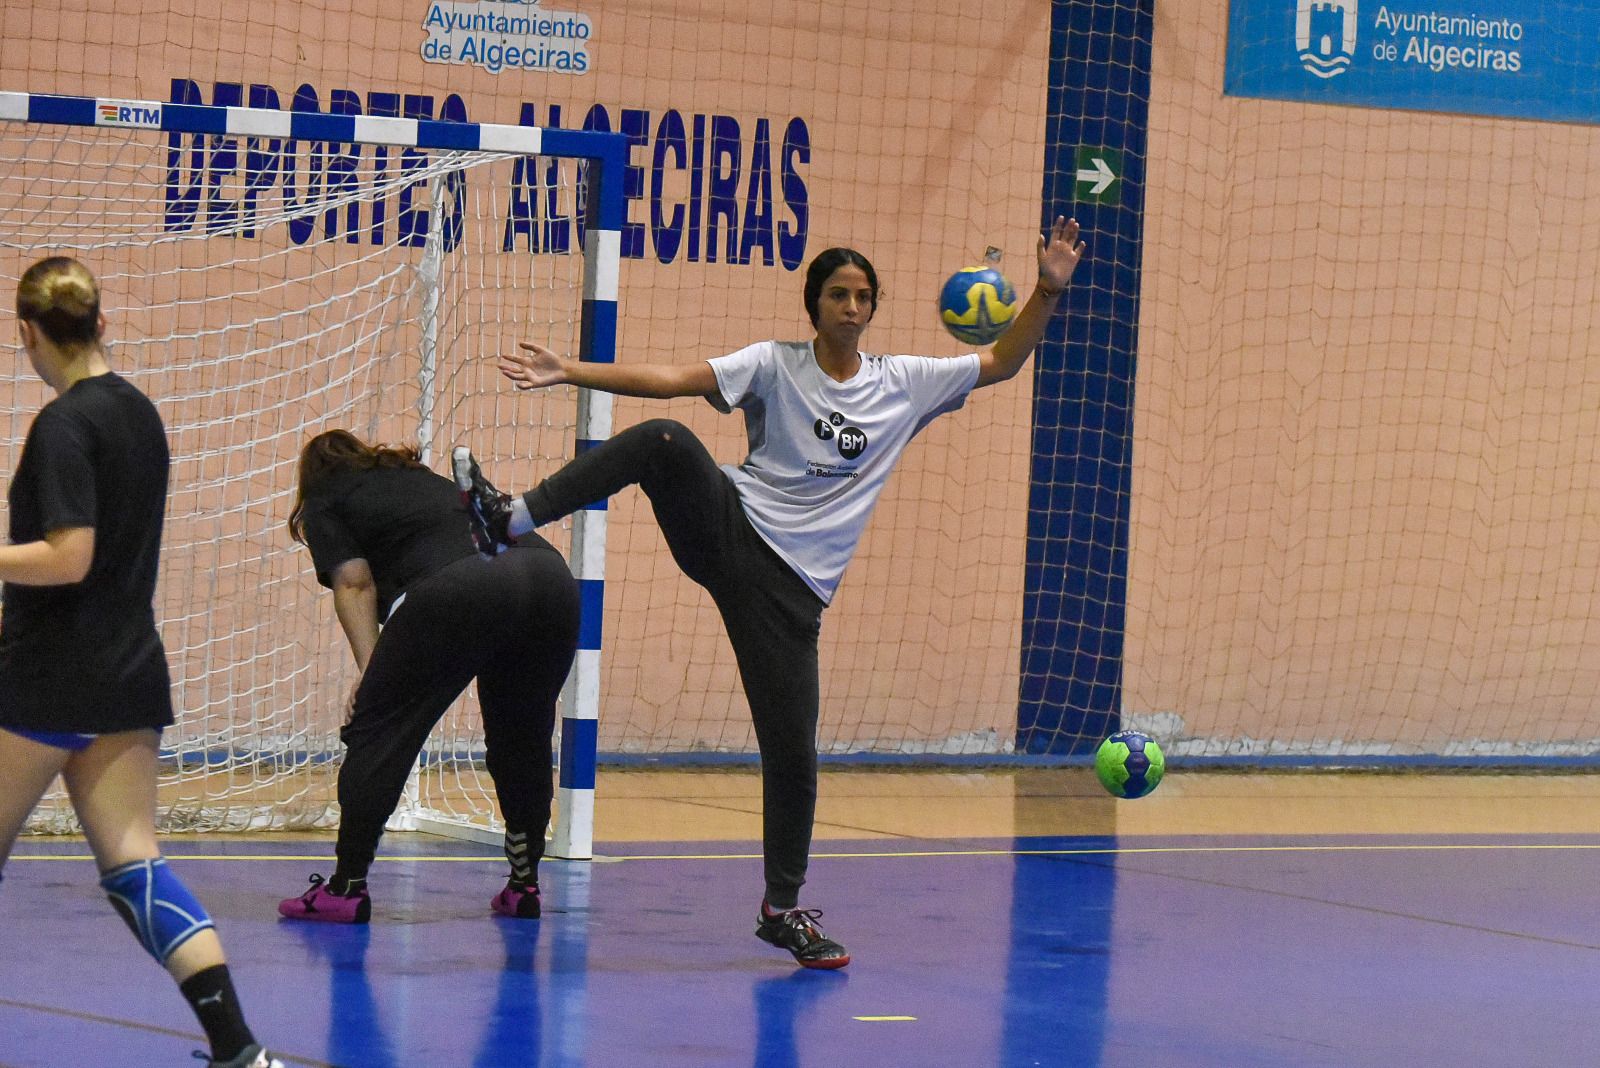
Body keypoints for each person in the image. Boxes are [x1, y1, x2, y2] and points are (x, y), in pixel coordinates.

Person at [452, 217, 1087, 969]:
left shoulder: (906, 385)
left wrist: (1046, 289)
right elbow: (673, 381)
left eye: (862, 297)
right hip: (731, 531)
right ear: (813, 306)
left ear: (873, 309)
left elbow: (1003, 361)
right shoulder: (774, 365)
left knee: (794, 755)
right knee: (663, 439)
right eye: (837, 295)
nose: (851, 307)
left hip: (792, 599)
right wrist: (572, 370)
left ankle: (783, 910)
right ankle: (509, 520)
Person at [0, 257, 284, 1068]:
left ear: (26, 334)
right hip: (129, 673)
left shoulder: (63, 426)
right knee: (135, 865)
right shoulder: (140, 415)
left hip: (49, 679)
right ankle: (239, 1047)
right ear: (101, 322)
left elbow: (70, 556)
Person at [277, 428, 579, 925]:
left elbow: (354, 583)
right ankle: (523, 885)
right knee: (523, 735)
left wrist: (371, 672)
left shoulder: (327, 497)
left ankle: (346, 887)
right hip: (549, 576)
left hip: (465, 582)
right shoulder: (423, 480)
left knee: (378, 732)